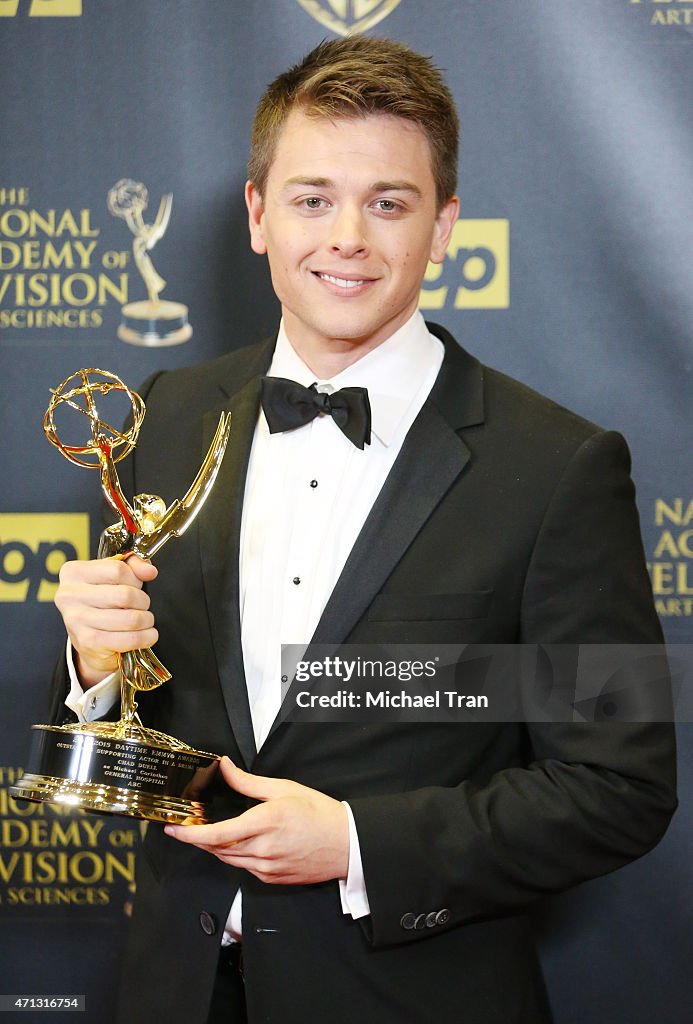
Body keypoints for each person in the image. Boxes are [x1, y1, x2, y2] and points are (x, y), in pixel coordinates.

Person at [52, 36, 676, 1024]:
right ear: (258, 216)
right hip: (172, 990)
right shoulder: (163, 416)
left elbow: (620, 788)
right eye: (311, 198)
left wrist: (355, 843)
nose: (346, 235)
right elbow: (116, 756)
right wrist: (91, 672)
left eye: (389, 202)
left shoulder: (561, 467)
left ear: (444, 227)